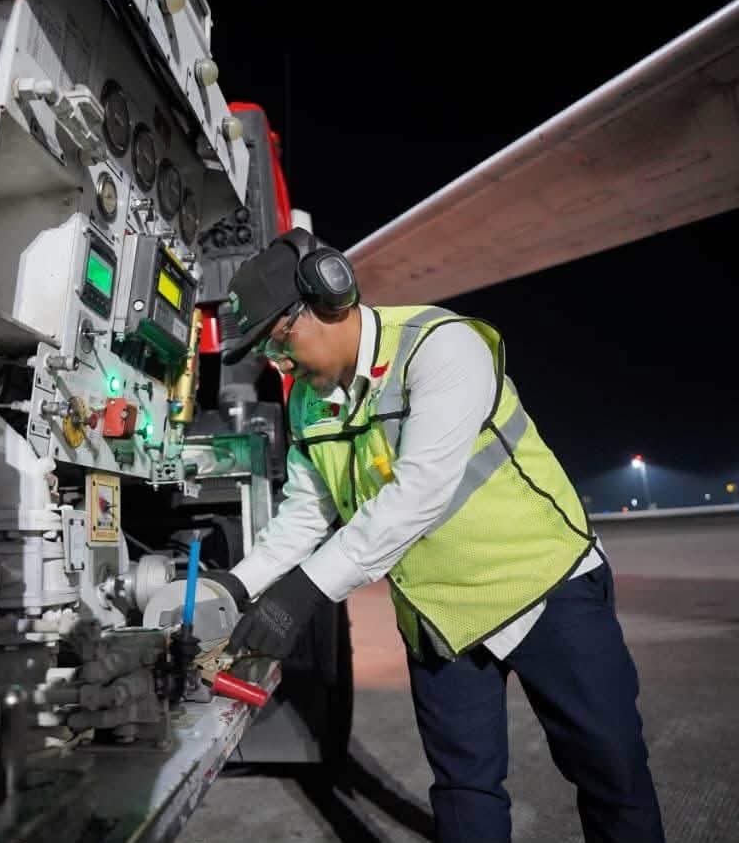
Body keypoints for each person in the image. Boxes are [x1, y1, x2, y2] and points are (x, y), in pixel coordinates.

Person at [201, 227, 666, 843]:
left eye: (277, 340)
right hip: (439, 614)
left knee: (612, 774)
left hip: (543, 590)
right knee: (464, 792)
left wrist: (303, 593)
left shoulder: (440, 347)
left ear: (325, 298)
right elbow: (307, 512)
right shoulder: (307, 403)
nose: (276, 363)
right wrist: (237, 586)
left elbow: (418, 494)